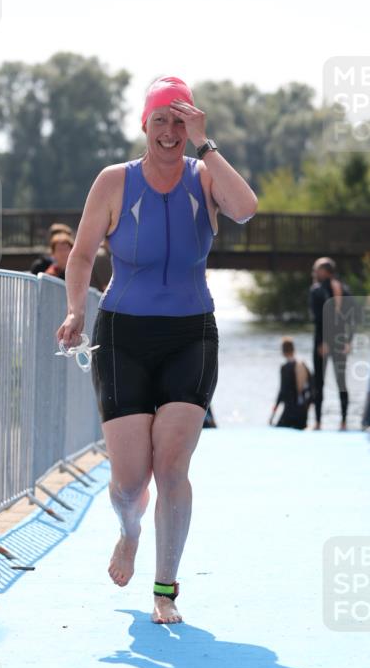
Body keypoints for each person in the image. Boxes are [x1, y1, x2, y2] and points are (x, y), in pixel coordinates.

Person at [56, 75, 258, 624]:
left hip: (191, 335)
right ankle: (128, 530)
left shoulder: (204, 175)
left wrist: (206, 145)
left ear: (192, 123)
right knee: (128, 481)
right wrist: (77, 310)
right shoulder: (114, 181)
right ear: (144, 125)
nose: (170, 131)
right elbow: (80, 255)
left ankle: (165, 589)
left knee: (171, 468)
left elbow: (245, 208)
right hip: (124, 336)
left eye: (180, 119)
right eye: (160, 120)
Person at [309, 257, 354, 431]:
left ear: (326, 271)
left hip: (331, 342)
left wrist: (347, 341)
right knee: (327, 382)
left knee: (335, 382)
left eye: (317, 270)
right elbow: (319, 317)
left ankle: (336, 422)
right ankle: (327, 422)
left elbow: (319, 318)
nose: (314, 273)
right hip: (332, 341)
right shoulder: (325, 289)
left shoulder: (325, 290)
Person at [269, 338, 313, 429]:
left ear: (283, 352)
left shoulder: (285, 368)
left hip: (289, 412)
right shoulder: (303, 365)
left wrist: (274, 412)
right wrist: (308, 405)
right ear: (293, 349)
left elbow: (282, 391)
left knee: (277, 429)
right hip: (302, 412)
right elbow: (313, 387)